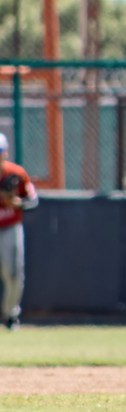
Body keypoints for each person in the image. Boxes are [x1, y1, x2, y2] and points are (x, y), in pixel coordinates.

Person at [0, 134, 38, 331]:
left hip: (9, 227)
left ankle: (10, 315)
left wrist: (17, 203)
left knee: (14, 274)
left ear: (5, 152)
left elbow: (33, 201)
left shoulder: (16, 173)